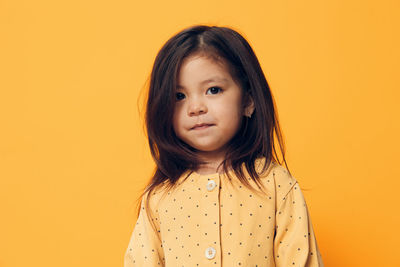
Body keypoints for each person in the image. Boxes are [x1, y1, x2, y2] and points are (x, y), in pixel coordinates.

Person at [124, 25, 324, 266]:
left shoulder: (276, 185)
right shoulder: (158, 198)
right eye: (179, 96)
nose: (196, 107)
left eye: (213, 90)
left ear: (248, 100)